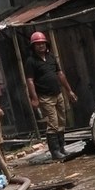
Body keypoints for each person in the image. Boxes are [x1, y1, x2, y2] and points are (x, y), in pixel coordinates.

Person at [24, 31, 77, 160]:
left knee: (62, 120)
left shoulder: (51, 58)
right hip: (45, 96)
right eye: (38, 44)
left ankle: (62, 148)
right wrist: (34, 98)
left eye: (42, 43)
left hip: (58, 93)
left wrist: (69, 90)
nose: (41, 46)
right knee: (53, 123)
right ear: (33, 46)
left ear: (46, 44)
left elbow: (60, 74)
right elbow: (30, 81)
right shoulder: (31, 61)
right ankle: (55, 151)